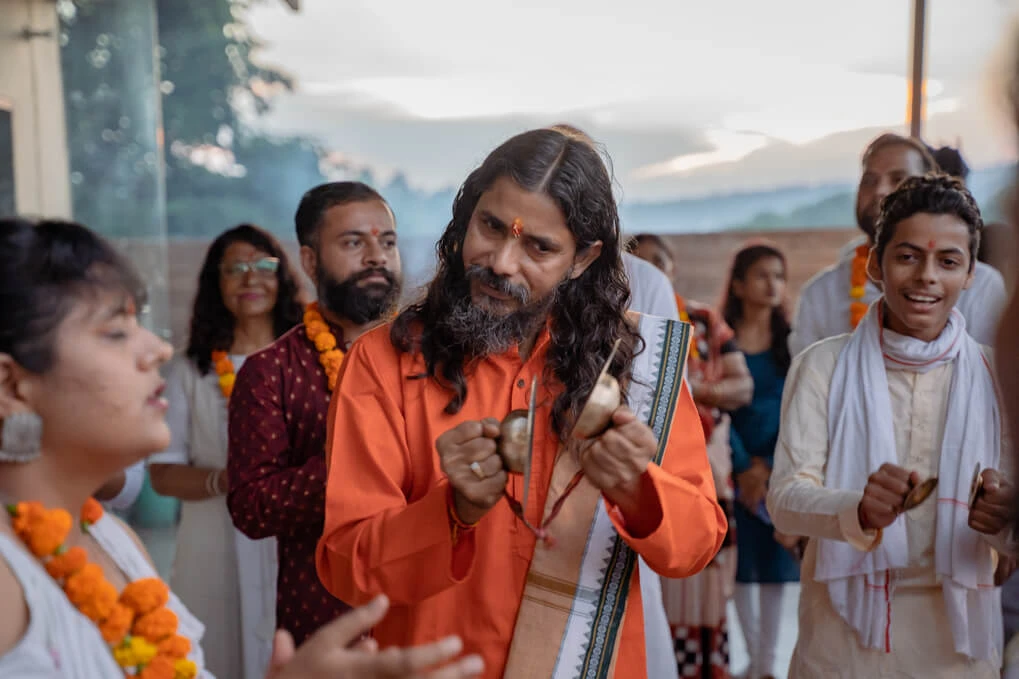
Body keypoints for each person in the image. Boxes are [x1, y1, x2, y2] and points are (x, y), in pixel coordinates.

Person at [315, 128, 727, 679]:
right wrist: (452, 512)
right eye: (490, 227)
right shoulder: (383, 361)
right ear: (466, 217)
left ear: (582, 259)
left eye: (539, 247)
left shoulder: (631, 364)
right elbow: (346, 567)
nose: (503, 263)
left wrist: (634, 487)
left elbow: (694, 548)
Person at [767, 174, 1015, 677]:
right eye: (907, 257)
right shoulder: (823, 366)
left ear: (971, 274)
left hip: (958, 648)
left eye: (948, 262)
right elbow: (785, 502)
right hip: (840, 644)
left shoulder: (997, 374)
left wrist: (1004, 518)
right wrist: (856, 508)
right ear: (876, 265)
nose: (927, 277)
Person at [227, 182, 403, 646]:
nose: (376, 257)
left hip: (426, 608)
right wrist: (351, 464)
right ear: (309, 261)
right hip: (326, 618)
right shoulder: (270, 373)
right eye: (353, 243)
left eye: (387, 242)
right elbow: (251, 507)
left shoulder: (434, 359)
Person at [147, 224, 303, 678]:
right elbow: (163, 472)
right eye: (235, 269)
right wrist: (228, 482)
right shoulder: (190, 369)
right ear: (216, 283)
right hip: (212, 543)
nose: (250, 278)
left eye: (263, 266)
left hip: (292, 538)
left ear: (283, 276)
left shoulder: (308, 359)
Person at [631, 231, 753, 678]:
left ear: (673, 268)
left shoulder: (702, 320)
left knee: (706, 579)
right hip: (648, 476)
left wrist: (687, 390)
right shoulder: (619, 324)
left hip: (706, 467)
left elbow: (742, 387)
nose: (651, 272)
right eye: (641, 262)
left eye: (658, 262)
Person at [789, 133, 1007, 356]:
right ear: (874, 265)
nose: (879, 191)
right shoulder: (820, 295)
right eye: (870, 180)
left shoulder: (983, 287)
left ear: (928, 189)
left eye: (898, 179)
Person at [721, 243, 800, 679]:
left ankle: (767, 665)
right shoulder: (720, 341)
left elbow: (801, 410)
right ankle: (755, 661)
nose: (773, 285)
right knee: (738, 565)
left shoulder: (793, 343)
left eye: (779, 276)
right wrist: (741, 465)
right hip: (730, 467)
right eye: (762, 275)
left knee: (775, 565)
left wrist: (769, 467)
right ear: (738, 285)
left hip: (779, 468)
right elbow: (714, 407)